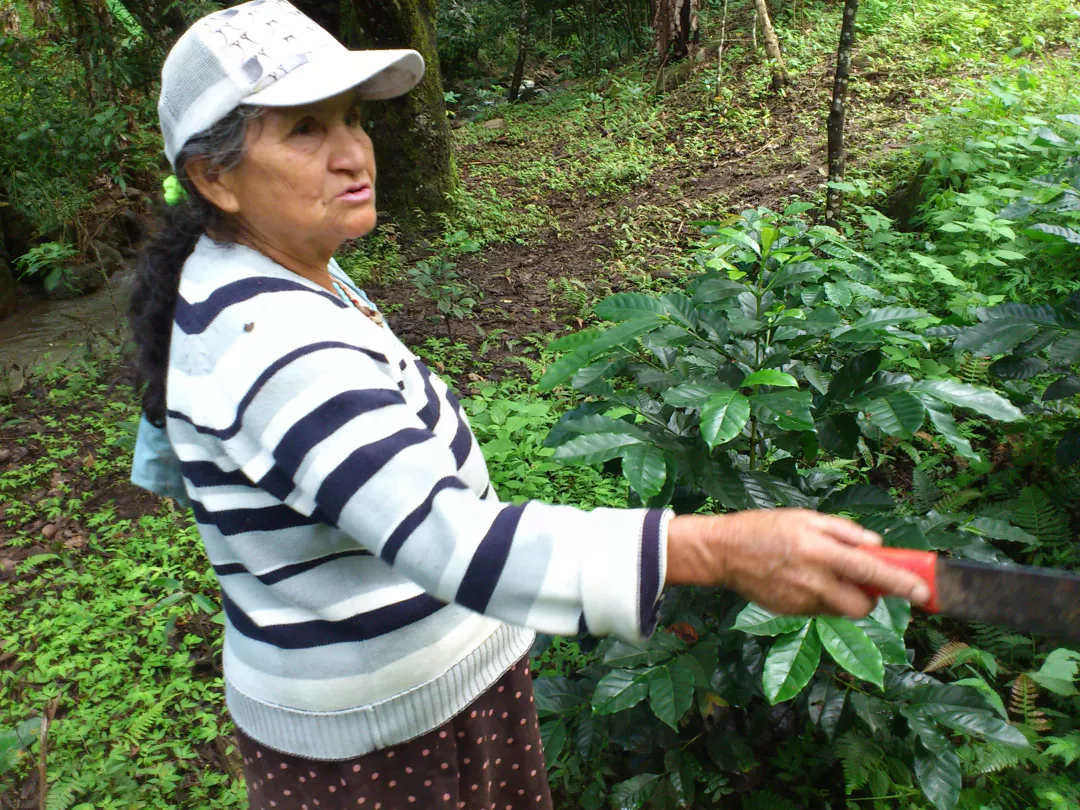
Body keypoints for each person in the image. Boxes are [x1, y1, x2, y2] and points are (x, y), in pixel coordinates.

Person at [127, 2, 931, 808]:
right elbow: (452, 543)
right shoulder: (271, 338)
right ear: (213, 177)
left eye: (350, 118)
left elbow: (186, 458)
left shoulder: (248, 273)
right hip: (388, 747)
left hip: (399, 703)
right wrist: (719, 550)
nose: (352, 153)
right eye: (304, 130)